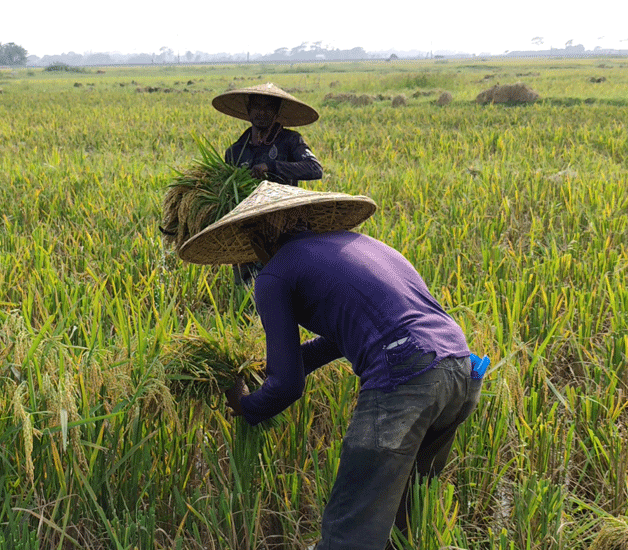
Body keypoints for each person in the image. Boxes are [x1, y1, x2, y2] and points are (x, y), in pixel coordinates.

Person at [178, 182, 484, 550]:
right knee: (397, 526)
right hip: (460, 370)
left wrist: (247, 405)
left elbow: (288, 385)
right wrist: (268, 368)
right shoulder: (362, 245)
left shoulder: (274, 274)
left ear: (260, 235)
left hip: (405, 380)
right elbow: (351, 334)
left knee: (350, 532)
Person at [212, 82, 324, 187]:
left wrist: (271, 167)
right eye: (257, 106)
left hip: (282, 205)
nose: (262, 112)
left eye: (268, 107)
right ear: (249, 109)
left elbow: (315, 168)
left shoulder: (290, 140)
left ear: (276, 112)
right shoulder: (235, 151)